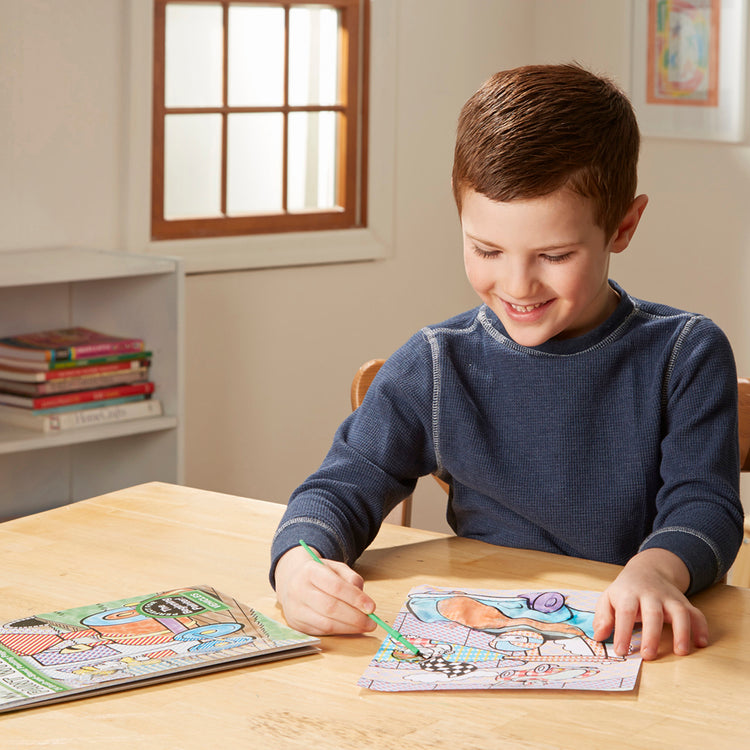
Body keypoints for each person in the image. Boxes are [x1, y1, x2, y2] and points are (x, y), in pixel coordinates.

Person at [269, 63, 744, 661]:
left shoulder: (685, 353)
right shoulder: (438, 362)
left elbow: (707, 508)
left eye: (554, 254)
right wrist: (297, 564)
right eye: (487, 249)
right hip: (488, 646)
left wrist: (657, 571)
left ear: (623, 225)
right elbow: (339, 488)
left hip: (642, 647)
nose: (518, 284)